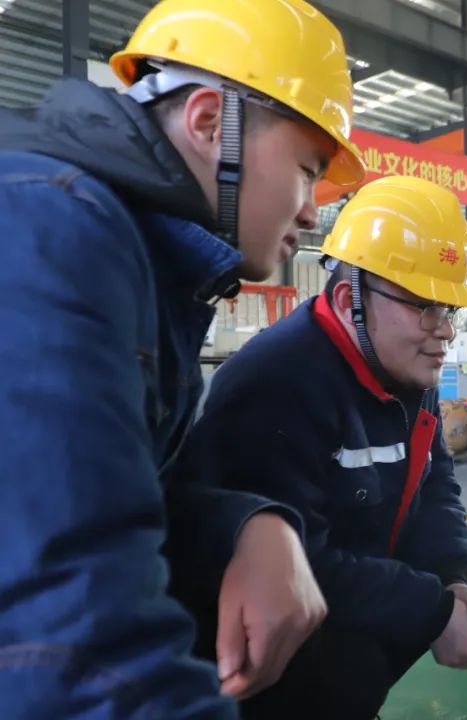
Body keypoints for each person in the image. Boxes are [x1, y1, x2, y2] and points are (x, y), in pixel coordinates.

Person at [0, 0, 366, 716]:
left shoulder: (151, 266)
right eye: (307, 169)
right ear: (207, 123)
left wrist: (248, 525)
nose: (311, 211)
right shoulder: (50, 229)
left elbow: (107, 491)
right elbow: (68, 646)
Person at [177, 175, 467, 719]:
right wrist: (429, 610)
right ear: (349, 298)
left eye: (451, 310)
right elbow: (288, 569)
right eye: (426, 306)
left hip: (345, 616)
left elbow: (435, 486)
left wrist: (452, 580)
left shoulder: (407, 371)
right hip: (260, 660)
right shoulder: (276, 384)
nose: (446, 331)